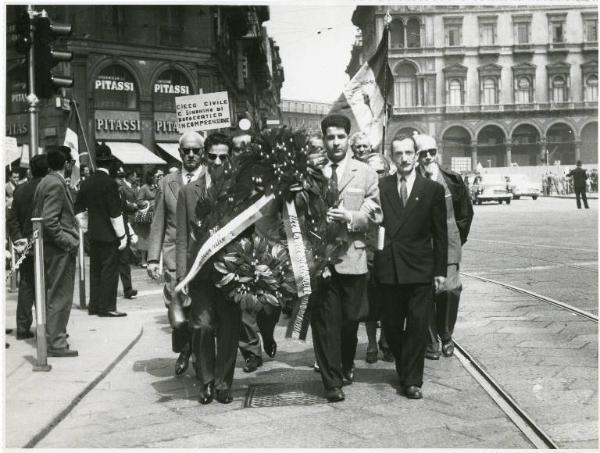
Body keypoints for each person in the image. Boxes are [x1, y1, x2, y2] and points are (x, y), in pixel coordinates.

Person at [310, 114, 382, 403]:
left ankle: (346, 364)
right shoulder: (313, 171)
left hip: (353, 259)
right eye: (330, 137)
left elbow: (375, 211)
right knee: (326, 321)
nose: (336, 142)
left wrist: (351, 217)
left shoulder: (364, 172)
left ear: (348, 139)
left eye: (341, 137)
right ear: (325, 139)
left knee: (350, 320)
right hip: (322, 262)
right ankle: (331, 381)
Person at [374, 136, 447, 400]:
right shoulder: (381, 186)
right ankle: (405, 367)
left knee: (417, 327)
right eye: (398, 154)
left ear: (416, 156)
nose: (403, 159)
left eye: (408, 153)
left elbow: (440, 234)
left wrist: (440, 271)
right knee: (392, 327)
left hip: (419, 269)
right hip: (389, 268)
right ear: (391, 157)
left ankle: (412, 379)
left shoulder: (432, 190)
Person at [176, 132, 241, 405]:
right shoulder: (189, 192)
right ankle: (206, 381)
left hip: (231, 272)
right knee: (201, 327)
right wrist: (182, 277)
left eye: (223, 157)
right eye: (212, 156)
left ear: (230, 158)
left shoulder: (241, 191)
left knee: (229, 328)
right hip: (200, 273)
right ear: (204, 156)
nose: (217, 161)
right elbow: (181, 237)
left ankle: (224, 382)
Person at [148, 131, 206, 377]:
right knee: (178, 312)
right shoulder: (167, 182)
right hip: (174, 256)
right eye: (186, 151)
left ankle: (196, 353)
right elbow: (159, 221)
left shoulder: (210, 178)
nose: (191, 155)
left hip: (202, 256)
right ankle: (185, 348)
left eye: (195, 150)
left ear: (202, 153)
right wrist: (152, 258)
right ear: (179, 153)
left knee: (200, 311)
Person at [415, 134, 473, 360]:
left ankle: (446, 334)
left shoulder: (452, 179)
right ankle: (431, 340)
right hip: (420, 247)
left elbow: (465, 213)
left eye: (431, 152)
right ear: (416, 156)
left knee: (450, 290)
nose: (428, 157)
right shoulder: (410, 179)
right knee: (424, 294)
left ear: (437, 152)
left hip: (449, 244)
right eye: (422, 153)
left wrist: (457, 238)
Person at [32, 146, 80, 356]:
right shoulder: (55, 184)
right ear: (67, 164)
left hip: (51, 249)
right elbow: (50, 220)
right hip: (59, 250)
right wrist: (68, 241)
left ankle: (54, 337)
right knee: (60, 295)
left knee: (54, 294)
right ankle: (57, 342)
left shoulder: (47, 181)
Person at [75, 143, 128, 317]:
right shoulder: (110, 184)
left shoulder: (86, 183)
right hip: (109, 235)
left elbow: (79, 210)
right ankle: (107, 307)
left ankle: (95, 305)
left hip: (93, 234)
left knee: (95, 271)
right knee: (109, 272)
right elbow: (115, 213)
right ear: (110, 162)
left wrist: (85, 229)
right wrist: (122, 235)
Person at [7, 155, 49, 340]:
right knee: (48, 287)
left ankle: (23, 327)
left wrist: (18, 239)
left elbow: (12, 218)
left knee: (26, 285)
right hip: (47, 244)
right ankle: (49, 326)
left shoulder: (21, 190)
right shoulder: (49, 188)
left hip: (25, 244)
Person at [363, 153, 393, 363]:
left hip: (390, 254)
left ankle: (386, 341)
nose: (376, 176)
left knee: (388, 303)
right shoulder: (362, 192)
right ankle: (372, 343)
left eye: (380, 172)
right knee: (371, 304)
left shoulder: (393, 192)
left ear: (387, 172)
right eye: (372, 172)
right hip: (368, 254)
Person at [115, 165, 139, 299]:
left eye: (122, 177)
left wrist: (136, 207)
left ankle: (128, 289)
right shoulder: (111, 192)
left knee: (124, 262)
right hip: (112, 233)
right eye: (119, 178)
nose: (121, 180)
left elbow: (125, 208)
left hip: (124, 229)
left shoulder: (121, 192)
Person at [136, 169, 163, 267]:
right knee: (144, 237)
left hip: (156, 216)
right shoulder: (144, 188)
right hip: (146, 217)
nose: (158, 178)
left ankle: (153, 259)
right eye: (157, 176)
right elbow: (139, 201)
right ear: (151, 177)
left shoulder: (158, 187)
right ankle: (143, 260)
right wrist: (149, 203)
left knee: (154, 237)